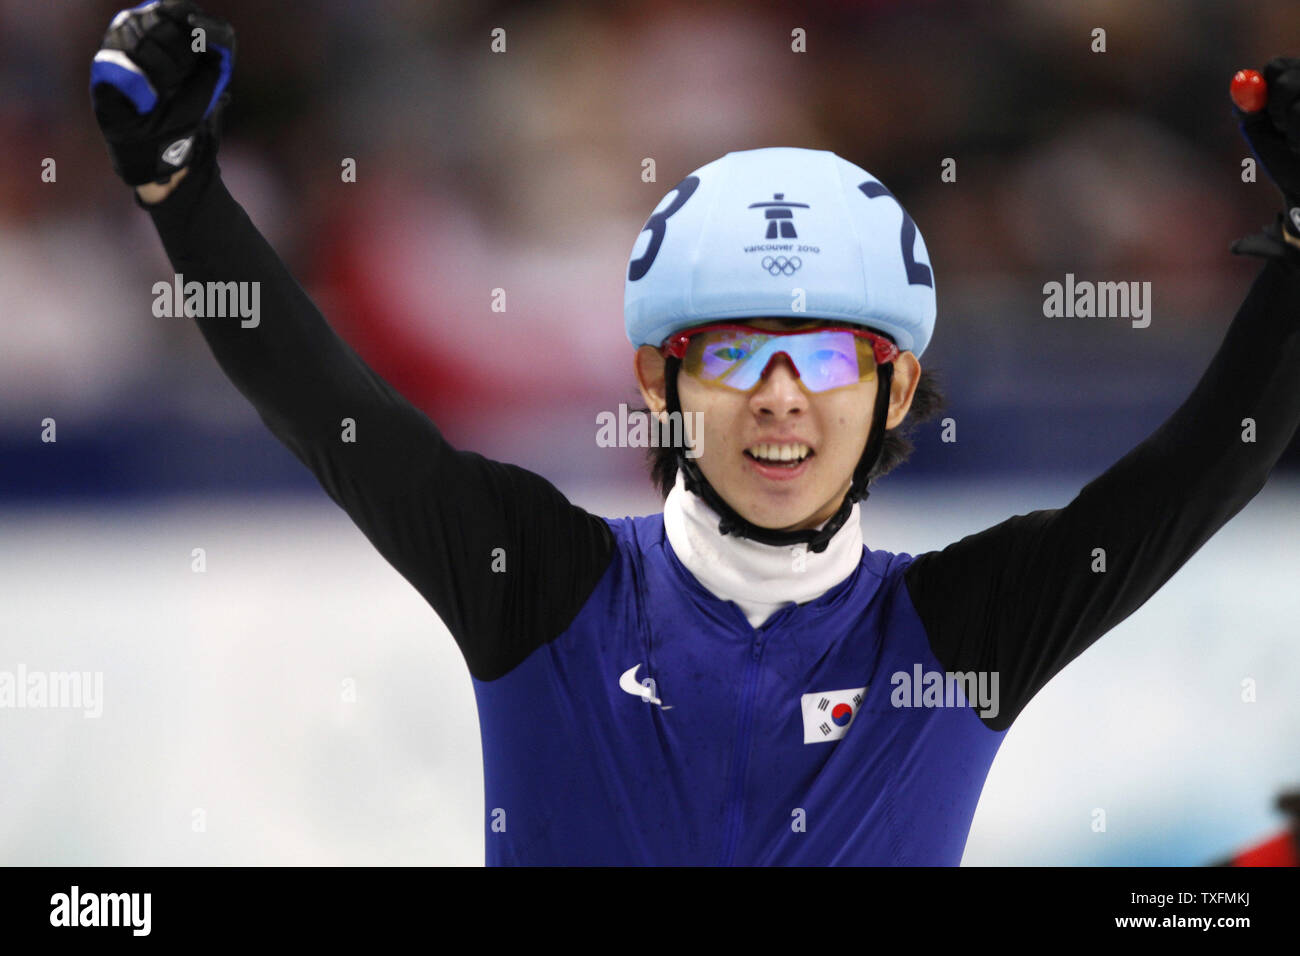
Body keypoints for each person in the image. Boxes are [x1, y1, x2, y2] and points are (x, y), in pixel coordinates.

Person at [91, 1, 1300, 865]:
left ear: (893, 390)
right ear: (657, 382)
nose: (779, 395)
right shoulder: (542, 583)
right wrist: (181, 188)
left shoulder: (961, 625)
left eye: (826, 354)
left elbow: (1207, 463)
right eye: (732, 353)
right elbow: (327, 410)